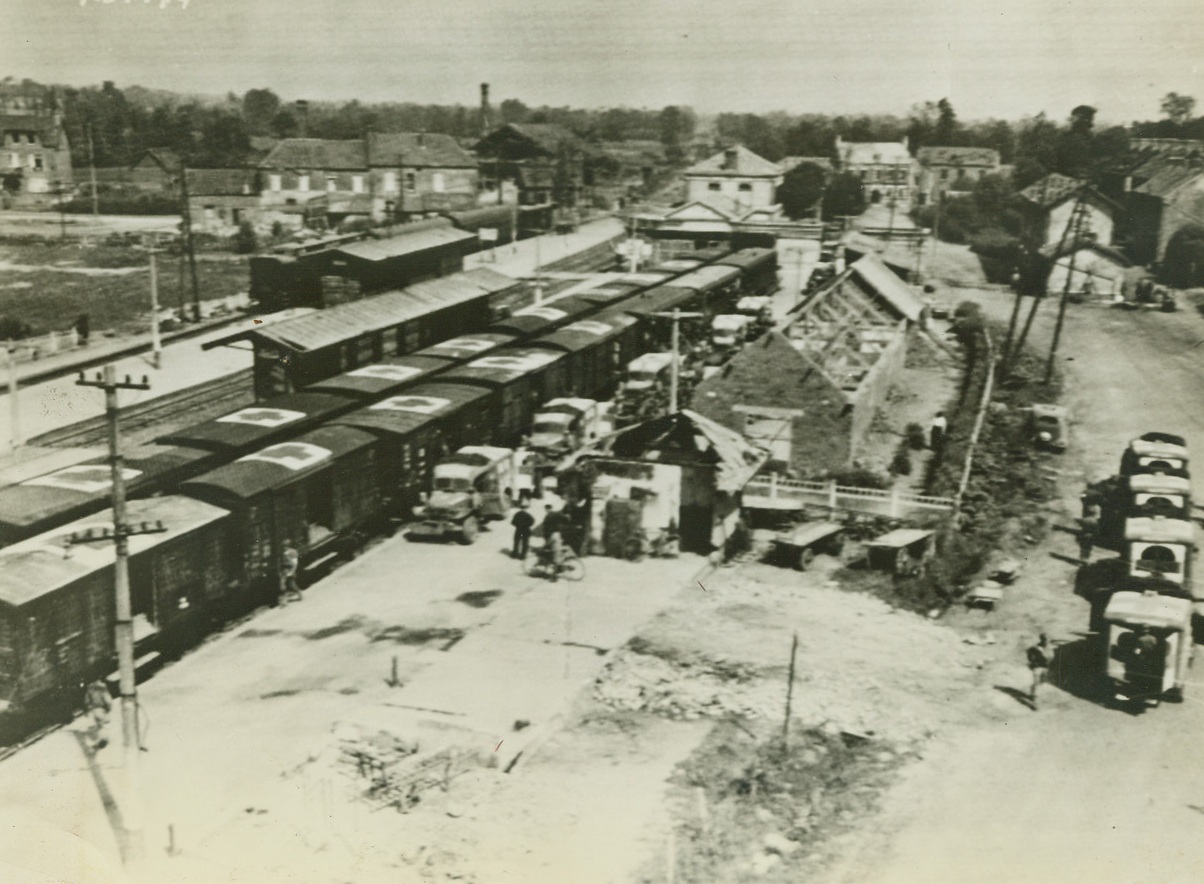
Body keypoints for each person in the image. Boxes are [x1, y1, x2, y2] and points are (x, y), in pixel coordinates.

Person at [83, 679, 112, 751]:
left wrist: (88, 708)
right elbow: (108, 699)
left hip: (94, 709)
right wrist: (109, 708)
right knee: (102, 726)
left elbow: (86, 700)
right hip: (101, 709)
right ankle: (100, 743)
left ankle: (98, 743)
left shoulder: (90, 688)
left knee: (99, 726)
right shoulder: (102, 687)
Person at [1026, 633, 1053, 708]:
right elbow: (1029, 653)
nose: (1047, 641)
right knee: (1037, 683)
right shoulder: (1036, 648)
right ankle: (1035, 702)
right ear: (1042, 640)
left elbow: (1051, 657)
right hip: (1037, 667)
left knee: (1042, 681)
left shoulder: (1050, 647)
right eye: (1045, 639)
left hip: (1046, 667)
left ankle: (1032, 690)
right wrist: (1033, 663)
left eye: (1048, 639)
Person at [279, 540, 302, 604]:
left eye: (285, 546)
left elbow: (295, 563)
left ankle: (300, 595)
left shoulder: (293, 552)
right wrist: (280, 571)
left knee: (292, 584)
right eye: (283, 546)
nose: (284, 547)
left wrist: (292, 571)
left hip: (290, 569)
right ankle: (284, 600)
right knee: (282, 584)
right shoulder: (283, 553)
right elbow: (281, 563)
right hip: (284, 570)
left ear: (289, 545)